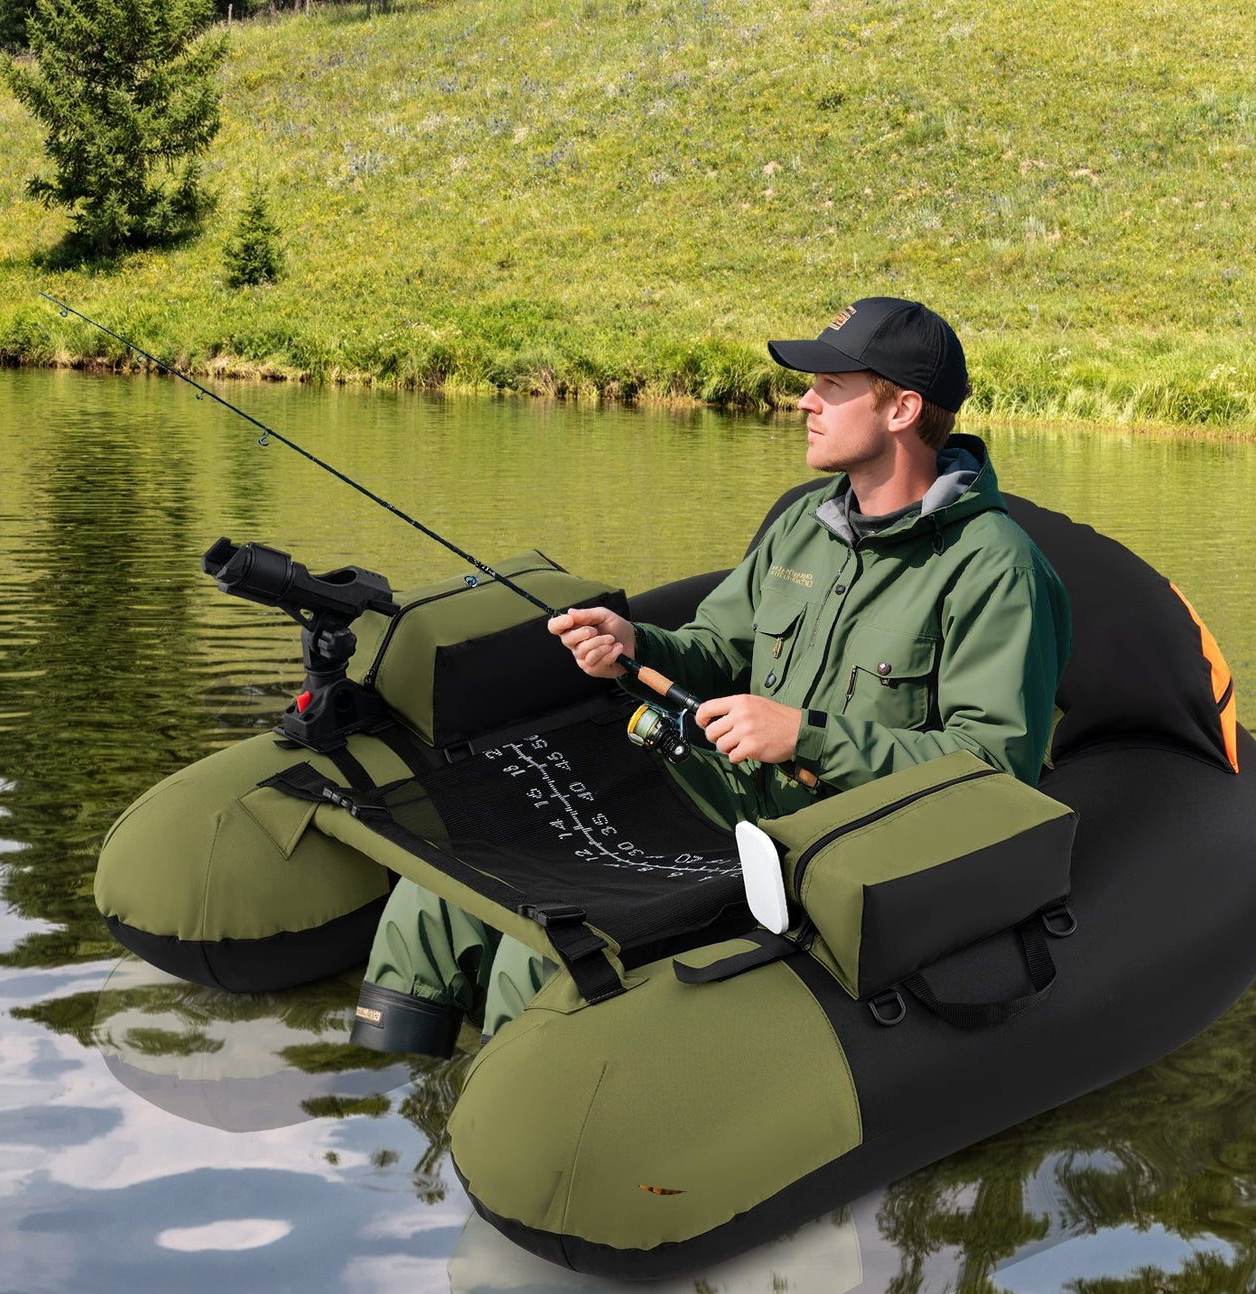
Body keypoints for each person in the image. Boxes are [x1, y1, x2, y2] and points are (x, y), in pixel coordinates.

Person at [356, 297, 1071, 1054]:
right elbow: (714, 650)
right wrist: (634, 646)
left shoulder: (999, 571)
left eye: (831, 385)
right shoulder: (804, 524)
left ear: (902, 409)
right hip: (706, 800)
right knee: (440, 891)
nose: (804, 401)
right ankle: (390, 1091)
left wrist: (804, 736)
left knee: (536, 958)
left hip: (817, 850)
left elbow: (993, 772)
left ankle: (498, 1104)